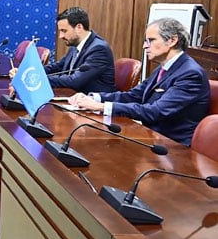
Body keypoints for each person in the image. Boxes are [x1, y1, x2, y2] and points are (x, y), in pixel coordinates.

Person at [70, 17, 209, 146]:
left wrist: (100, 107)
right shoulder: (163, 68)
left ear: (172, 40)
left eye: (151, 40)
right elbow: (133, 95)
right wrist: (93, 98)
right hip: (150, 137)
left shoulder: (190, 74)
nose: (144, 46)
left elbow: (156, 111)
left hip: (172, 147)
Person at [10, 7, 116, 93]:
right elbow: (57, 67)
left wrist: (35, 79)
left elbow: (75, 81)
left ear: (79, 28)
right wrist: (26, 72)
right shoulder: (76, 45)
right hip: (74, 98)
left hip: (94, 108)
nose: (60, 36)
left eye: (64, 31)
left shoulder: (98, 49)